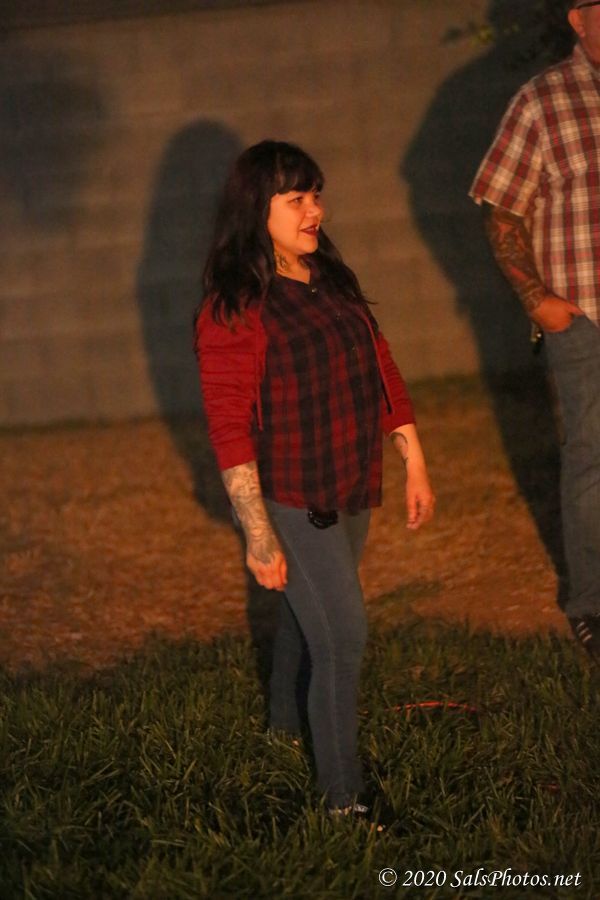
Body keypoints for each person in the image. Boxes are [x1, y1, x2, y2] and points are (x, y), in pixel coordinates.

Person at [195, 140, 435, 821]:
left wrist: (413, 458)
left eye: (316, 195)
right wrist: (258, 533)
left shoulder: (327, 275)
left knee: (310, 620)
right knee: (343, 636)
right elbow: (229, 428)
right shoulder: (235, 306)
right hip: (290, 494)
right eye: (295, 199)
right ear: (256, 209)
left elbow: (380, 362)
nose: (314, 210)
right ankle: (343, 801)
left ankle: (283, 731)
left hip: (350, 478)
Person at [470, 0, 600, 660]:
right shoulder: (542, 101)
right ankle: (592, 604)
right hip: (584, 316)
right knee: (592, 461)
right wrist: (535, 297)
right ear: (579, 19)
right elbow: (502, 209)